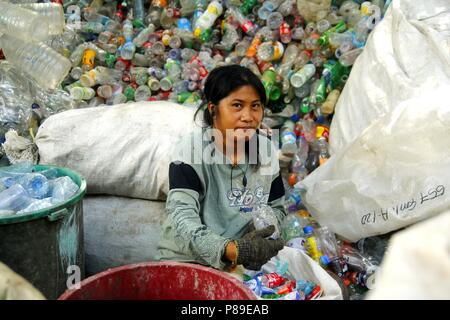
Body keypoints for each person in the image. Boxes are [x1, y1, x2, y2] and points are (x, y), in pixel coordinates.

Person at [156, 65, 286, 271]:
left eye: (255, 106)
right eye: (237, 105)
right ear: (213, 109)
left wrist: (263, 238)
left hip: (245, 260)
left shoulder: (266, 150)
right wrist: (232, 250)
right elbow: (181, 217)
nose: (248, 116)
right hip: (191, 262)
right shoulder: (191, 151)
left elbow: (277, 207)